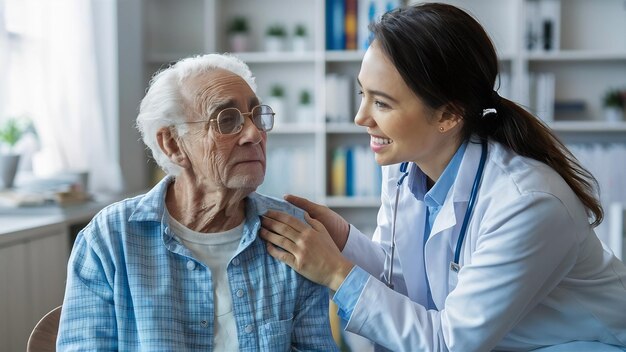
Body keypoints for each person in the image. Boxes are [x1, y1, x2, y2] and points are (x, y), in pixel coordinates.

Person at [260, 3, 626, 352]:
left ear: (448, 116)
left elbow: (447, 343)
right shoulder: (405, 167)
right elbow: (401, 283)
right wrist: (340, 238)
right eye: (362, 93)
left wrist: (336, 273)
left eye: (382, 103)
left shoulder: (527, 204)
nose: (361, 117)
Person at [56, 54, 338, 351]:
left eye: (257, 116)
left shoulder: (295, 236)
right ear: (173, 144)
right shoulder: (110, 240)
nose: (255, 134)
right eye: (227, 120)